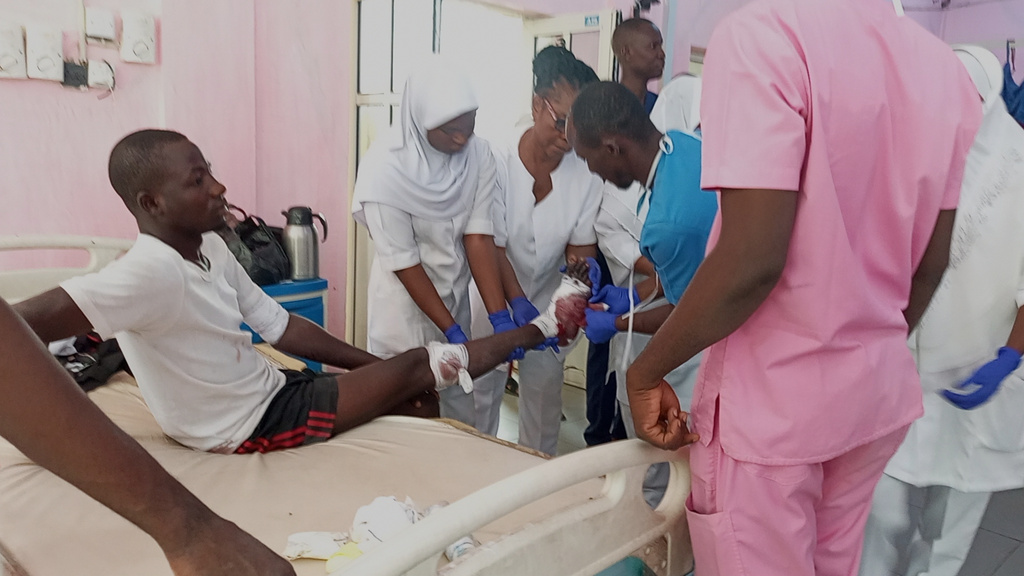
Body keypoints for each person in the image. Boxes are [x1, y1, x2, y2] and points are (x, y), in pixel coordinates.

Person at [572, 0, 982, 574]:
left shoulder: (764, 38)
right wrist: (860, 348)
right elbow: (931, 263)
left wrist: (643, 373)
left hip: (773, 419)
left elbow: (752, 260)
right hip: (871, 400)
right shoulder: (942, 71)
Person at [15, 129, 579, 456]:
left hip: (270, 388)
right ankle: (545, 327)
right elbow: (15, 322)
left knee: (416, 391)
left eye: (210, 171)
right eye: (197, 181)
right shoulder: (144, 273)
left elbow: (281, 327)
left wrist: (378, 370)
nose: (219, 187)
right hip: (242, 428)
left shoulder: (209, 248)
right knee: (423, 368)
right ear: (151, 204)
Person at [861, 45, 1024, 576]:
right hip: (899, 369)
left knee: (948, 526)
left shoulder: (1019, 168)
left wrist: (1008, 358)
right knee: (879, 511)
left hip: (980, 374)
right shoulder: (907, 161)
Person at [0, 297, 295, 575]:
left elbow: (279, 324)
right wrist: (193, 533)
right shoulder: (147, 274)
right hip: (238, 421)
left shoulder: (217, 267)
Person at [352, 58, 509, 427]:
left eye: (469, 127)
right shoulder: (384, 169)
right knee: (407, 421)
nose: (461, 139)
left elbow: (478, 236)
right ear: (420, 121)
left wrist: (499, 316)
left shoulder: (479, 155)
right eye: (450, 130)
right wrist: (451, 331)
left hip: (454, 305)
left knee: (457, 421)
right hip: (402, 317)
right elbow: (404, 262)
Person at [471, 46, 604, 455]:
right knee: (480, 398)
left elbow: (580, 251)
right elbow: (490, 244)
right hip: (489, 296)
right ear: (536, 105)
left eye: (579, 128)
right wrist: (511, 308)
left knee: (544, 406)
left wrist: (574, 294)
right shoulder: (493, 157)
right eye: (561, 122)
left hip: (548, 299)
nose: (569, 137)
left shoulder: (586, 173)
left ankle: (534, 484)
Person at [587, 74, 709, 437]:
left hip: (700, 358)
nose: (589, 170)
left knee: (675, 450)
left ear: (611, 148)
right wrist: (632, 295)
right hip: (705, 337)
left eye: (586, 157)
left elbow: (689, 312)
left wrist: (618, 322)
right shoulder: (687, 149)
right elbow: (694, 276)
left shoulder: (667, 225)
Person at [611, 18, 665, 114]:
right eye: (653, 46)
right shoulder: (607, 105)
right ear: (627, 53)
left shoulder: (661, 107)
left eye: (660, 46)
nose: (662, 54)